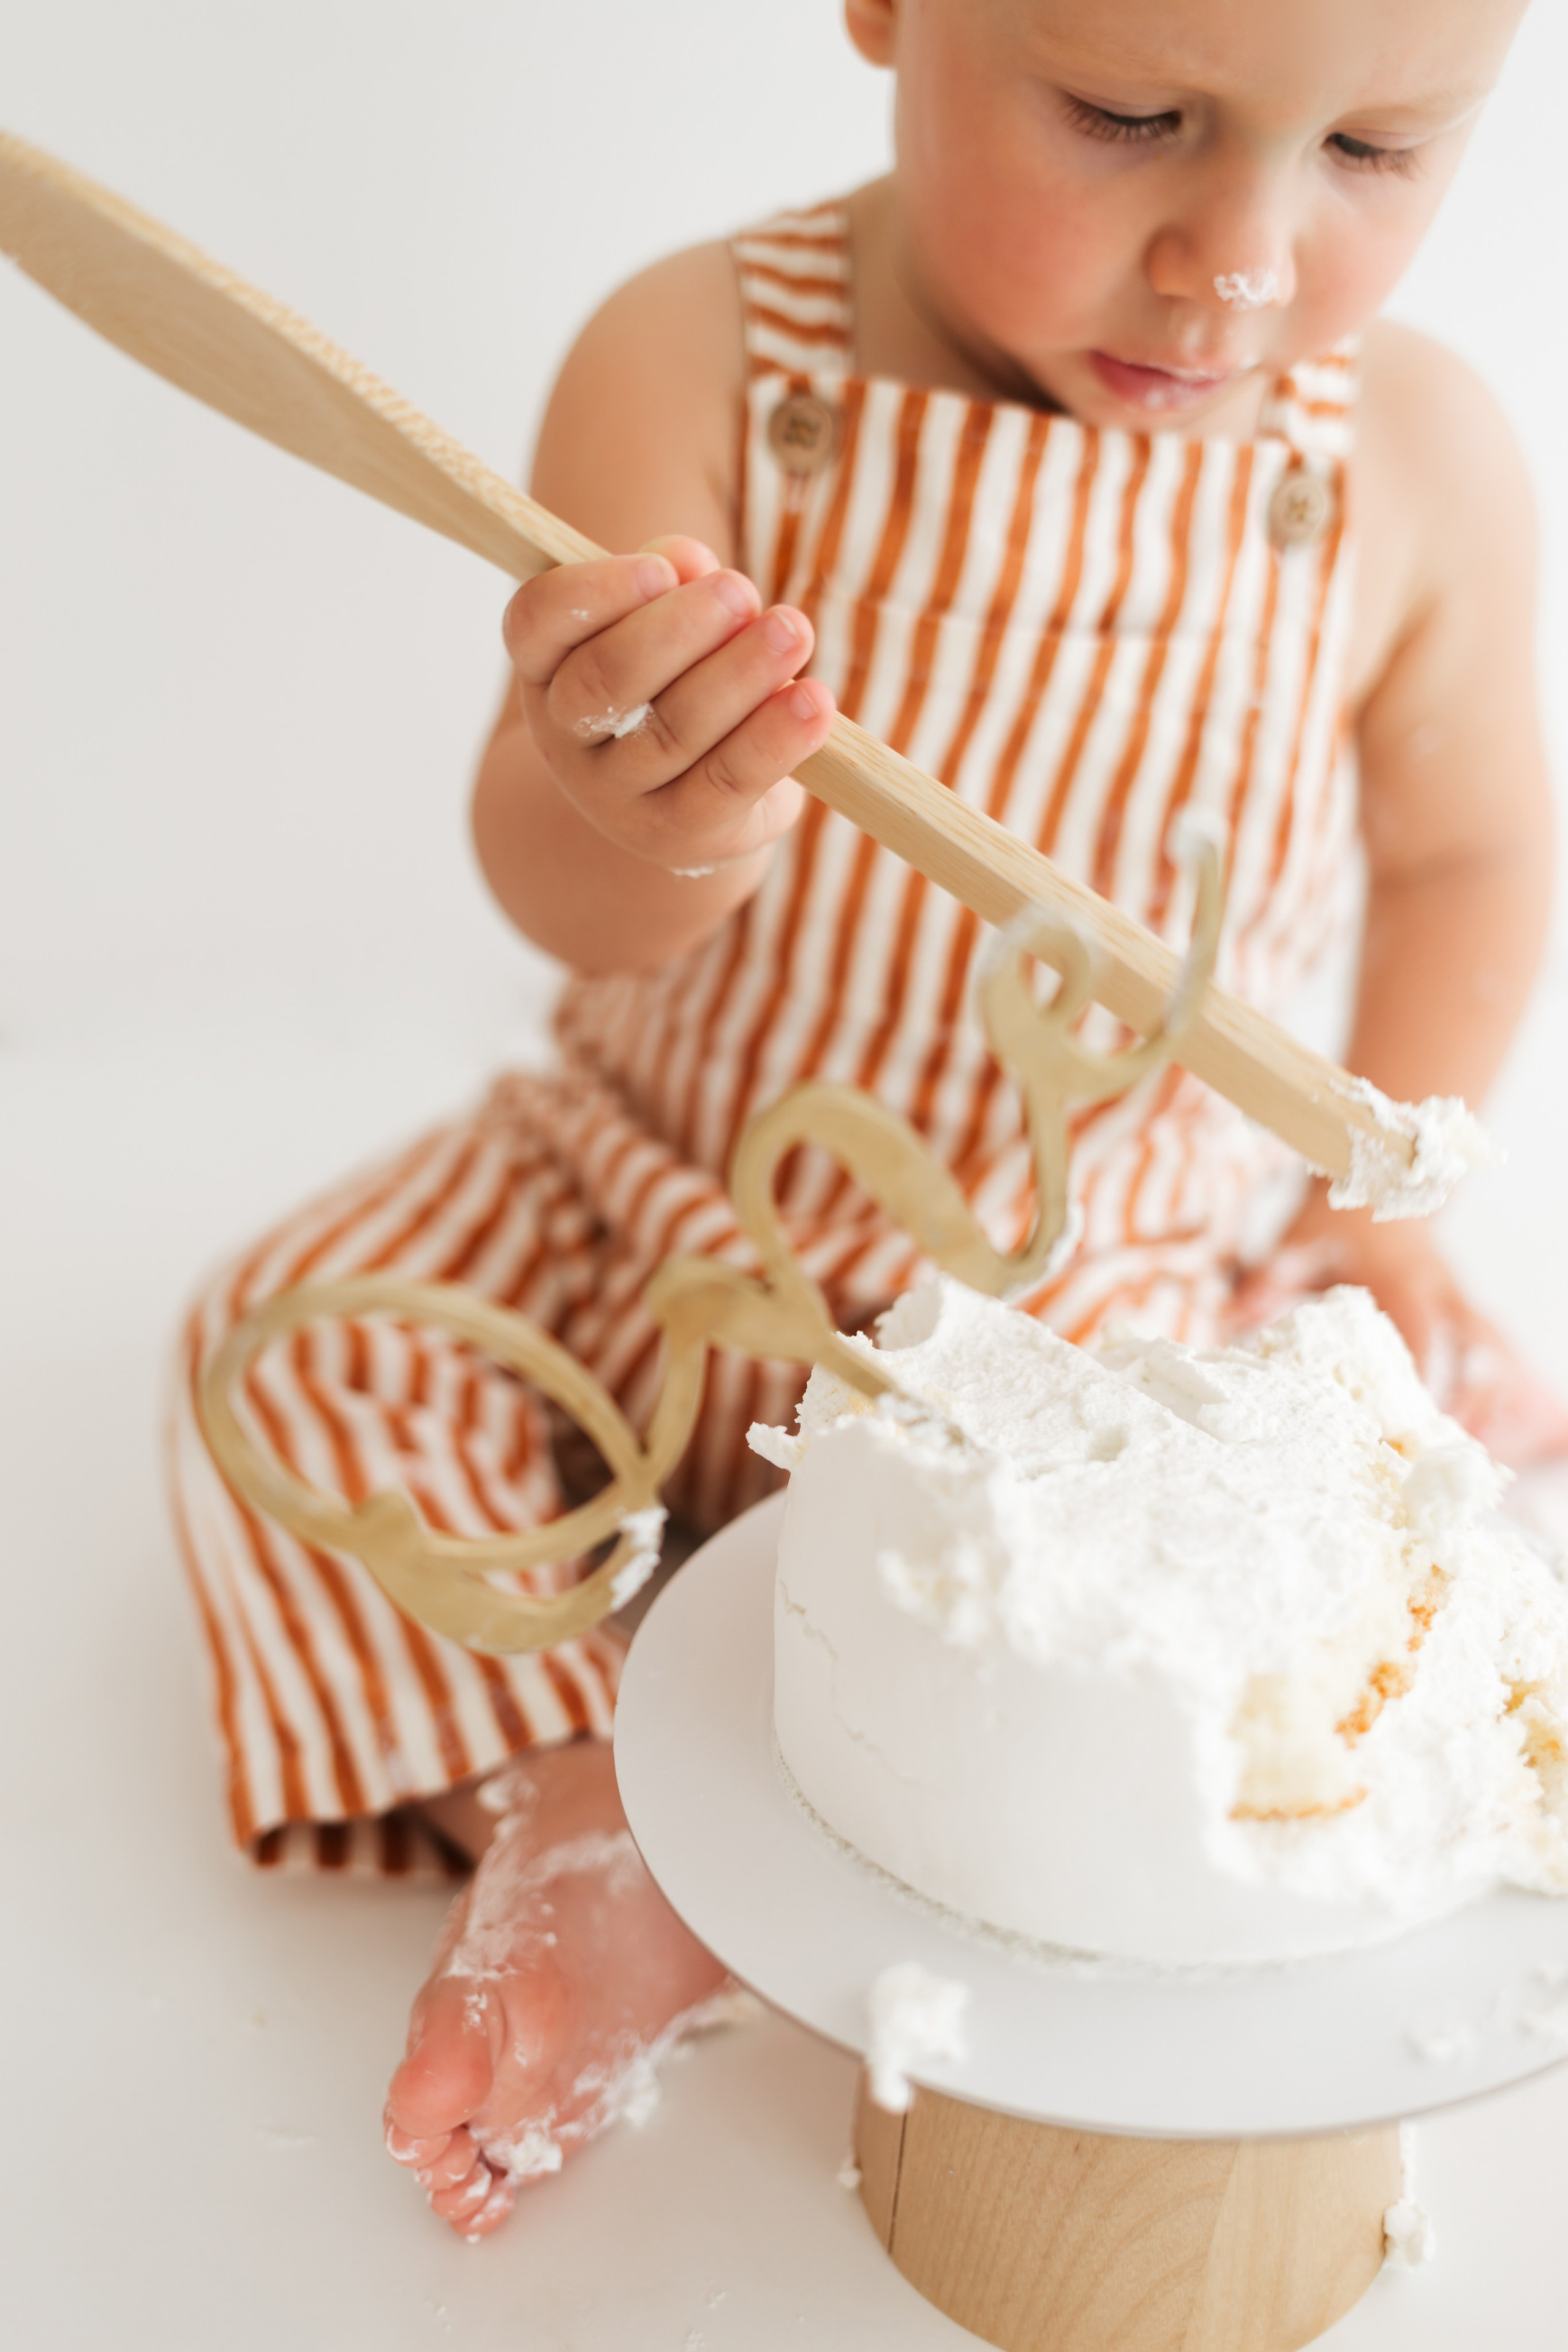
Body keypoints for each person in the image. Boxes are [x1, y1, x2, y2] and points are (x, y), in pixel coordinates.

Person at [171, 0, 1567, 2239]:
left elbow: (1476, 853)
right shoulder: (707, 365)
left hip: (1079, 1298)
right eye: (1130, 114)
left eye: (1377, 152)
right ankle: (583, 1789)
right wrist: (651, 818)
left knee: (1208, 1589)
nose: (1239, 256)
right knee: (295, 1345)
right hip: (644, 1202)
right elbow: (552, 881)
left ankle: (905, 1794)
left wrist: (1378, 1206)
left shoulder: (1405, 465)